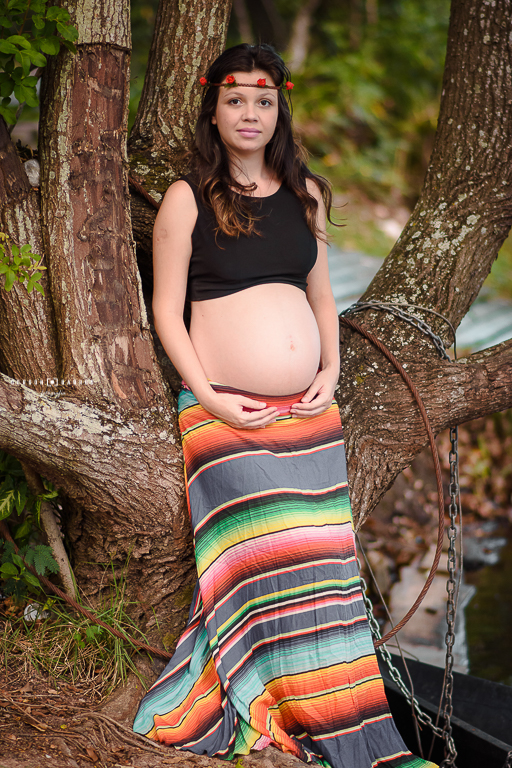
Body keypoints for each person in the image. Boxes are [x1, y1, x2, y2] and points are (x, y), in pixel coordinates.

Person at [133, 43, 437, 768]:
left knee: (326, 569)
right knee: (265, 559)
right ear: (213, 106)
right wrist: (208, 395)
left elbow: (322, 298)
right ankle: (263, 693)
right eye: (236, 98)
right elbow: (166, 312)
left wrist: (329, 369)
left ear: (280, 109)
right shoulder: (187, 197)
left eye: (264, 100)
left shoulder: (307, 193)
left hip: (310, 416)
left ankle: (328, 707)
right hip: (223, 416)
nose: (250, 112)